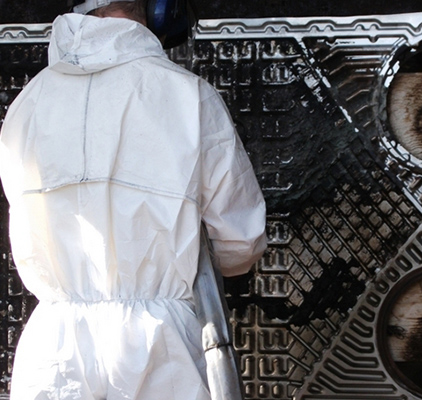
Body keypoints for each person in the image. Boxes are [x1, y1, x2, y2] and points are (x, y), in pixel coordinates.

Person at [0, 0, 267, 399]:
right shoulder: (188, 95)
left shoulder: (27, 103)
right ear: (160, 9)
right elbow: (241, 240)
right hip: (160, 351)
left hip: (53, 355)